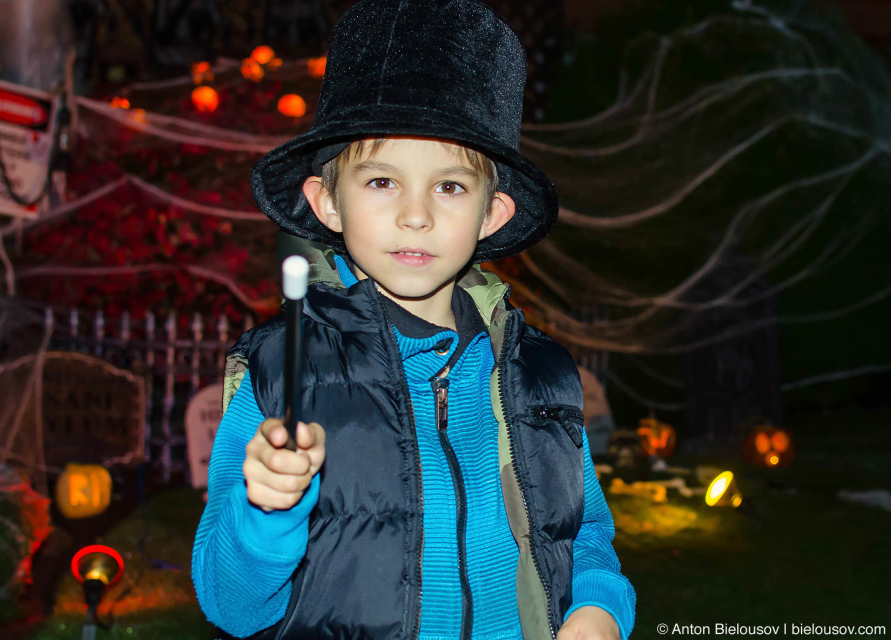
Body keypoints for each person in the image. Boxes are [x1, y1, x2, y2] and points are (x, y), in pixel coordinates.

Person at [191, 1, 637, 638]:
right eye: (380, 182)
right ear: (326, 203)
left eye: (450, 187)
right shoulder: (279, 375)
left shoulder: (543, 374)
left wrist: (598, 609)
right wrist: (266, 510)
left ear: (493, 215)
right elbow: (230, 606)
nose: (416, 215)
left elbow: (584, 533)